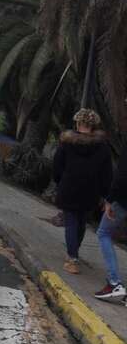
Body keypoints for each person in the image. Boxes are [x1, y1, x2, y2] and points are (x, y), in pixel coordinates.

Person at [52, 109, 112, 275]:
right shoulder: (102, 147)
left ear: (78, 123)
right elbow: (107, 173)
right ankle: (73, 252)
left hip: (69, 187)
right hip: (91, 191)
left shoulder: (67, 143)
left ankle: (72, 258)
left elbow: (57, 166)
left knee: (71, 222)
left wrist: (59, 181)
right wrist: (105, 194)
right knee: (81, 222)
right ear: (93, 125)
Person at [94, 130, 127, 303]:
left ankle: (114, 283)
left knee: (103, 233)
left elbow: (122, 176)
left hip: (123, 198)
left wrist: (109, 199)